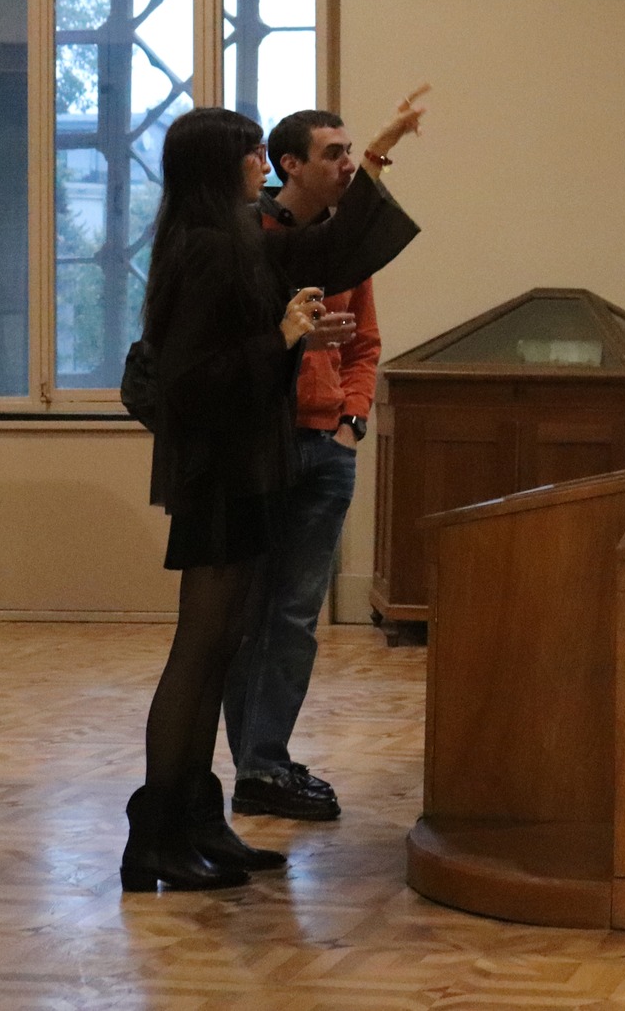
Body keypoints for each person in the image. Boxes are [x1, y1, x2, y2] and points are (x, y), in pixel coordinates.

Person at [122, 96, 424, 892]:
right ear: (217, 165)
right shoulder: (201, 248)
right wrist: (284, 337)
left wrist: (376, 160)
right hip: (217, 473)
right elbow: (190, 380)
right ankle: (156, 835)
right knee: (199, 651)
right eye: (252, 152)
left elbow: (324, 250)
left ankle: (198, 821)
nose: (261, 163)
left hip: (246, 466)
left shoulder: (234, 239)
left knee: (223, 647)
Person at [222, 110, 380, 822]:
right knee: (250, 613)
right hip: (262, 445)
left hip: (327, 448)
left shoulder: (344, 246)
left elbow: (365, 345)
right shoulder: (246, 236)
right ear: (291, 164)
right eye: (334, 153)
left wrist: (351, 422)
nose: (347, 164)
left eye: (351, 152)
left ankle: (265, 763)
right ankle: (257, 767)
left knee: (294, 618)